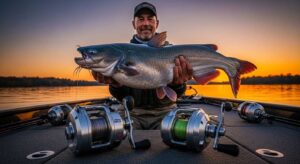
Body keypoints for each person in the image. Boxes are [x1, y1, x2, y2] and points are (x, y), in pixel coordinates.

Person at [92, 2, 193, 129]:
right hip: (132, 112)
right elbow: (121, 96)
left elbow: (177, 93)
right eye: (140, 19)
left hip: (166, 111)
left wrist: (178, 84)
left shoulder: (173, 52)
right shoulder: (120, 53)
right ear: (134, 24)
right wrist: (116, 85)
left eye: (150, 19)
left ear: (157, 23)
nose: (146, 23)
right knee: (115, 135)